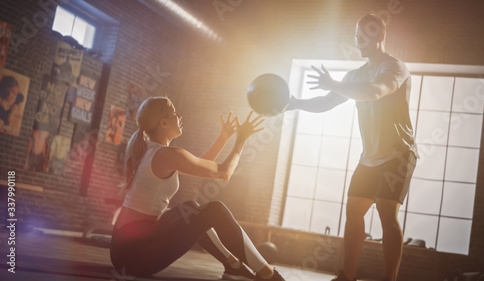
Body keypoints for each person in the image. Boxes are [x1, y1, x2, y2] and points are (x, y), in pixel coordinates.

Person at [288, 14, 418, 281]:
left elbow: (375, 91)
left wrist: (336, 83)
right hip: (369, 158)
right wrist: (294, 102)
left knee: (385, 210)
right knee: (354, 210)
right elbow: (326, 103)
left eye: (363, 36)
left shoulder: (394, 68)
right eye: (356, 36)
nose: (358, 41)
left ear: (379, 36)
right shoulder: (355, 75)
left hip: (399, 154)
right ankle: (347, 276)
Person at [110, 96, 286, 281]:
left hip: (123, 252)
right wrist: (240, 140)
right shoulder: (167, 155)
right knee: (215, 210)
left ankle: (232, 264)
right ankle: (268, 275)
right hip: (136, 255)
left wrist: (223, 137)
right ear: (163, 122)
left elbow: (200, 164)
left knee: (191, 208)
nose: (180, 117)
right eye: (174, 114)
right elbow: (223, 173)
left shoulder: (149, 151)